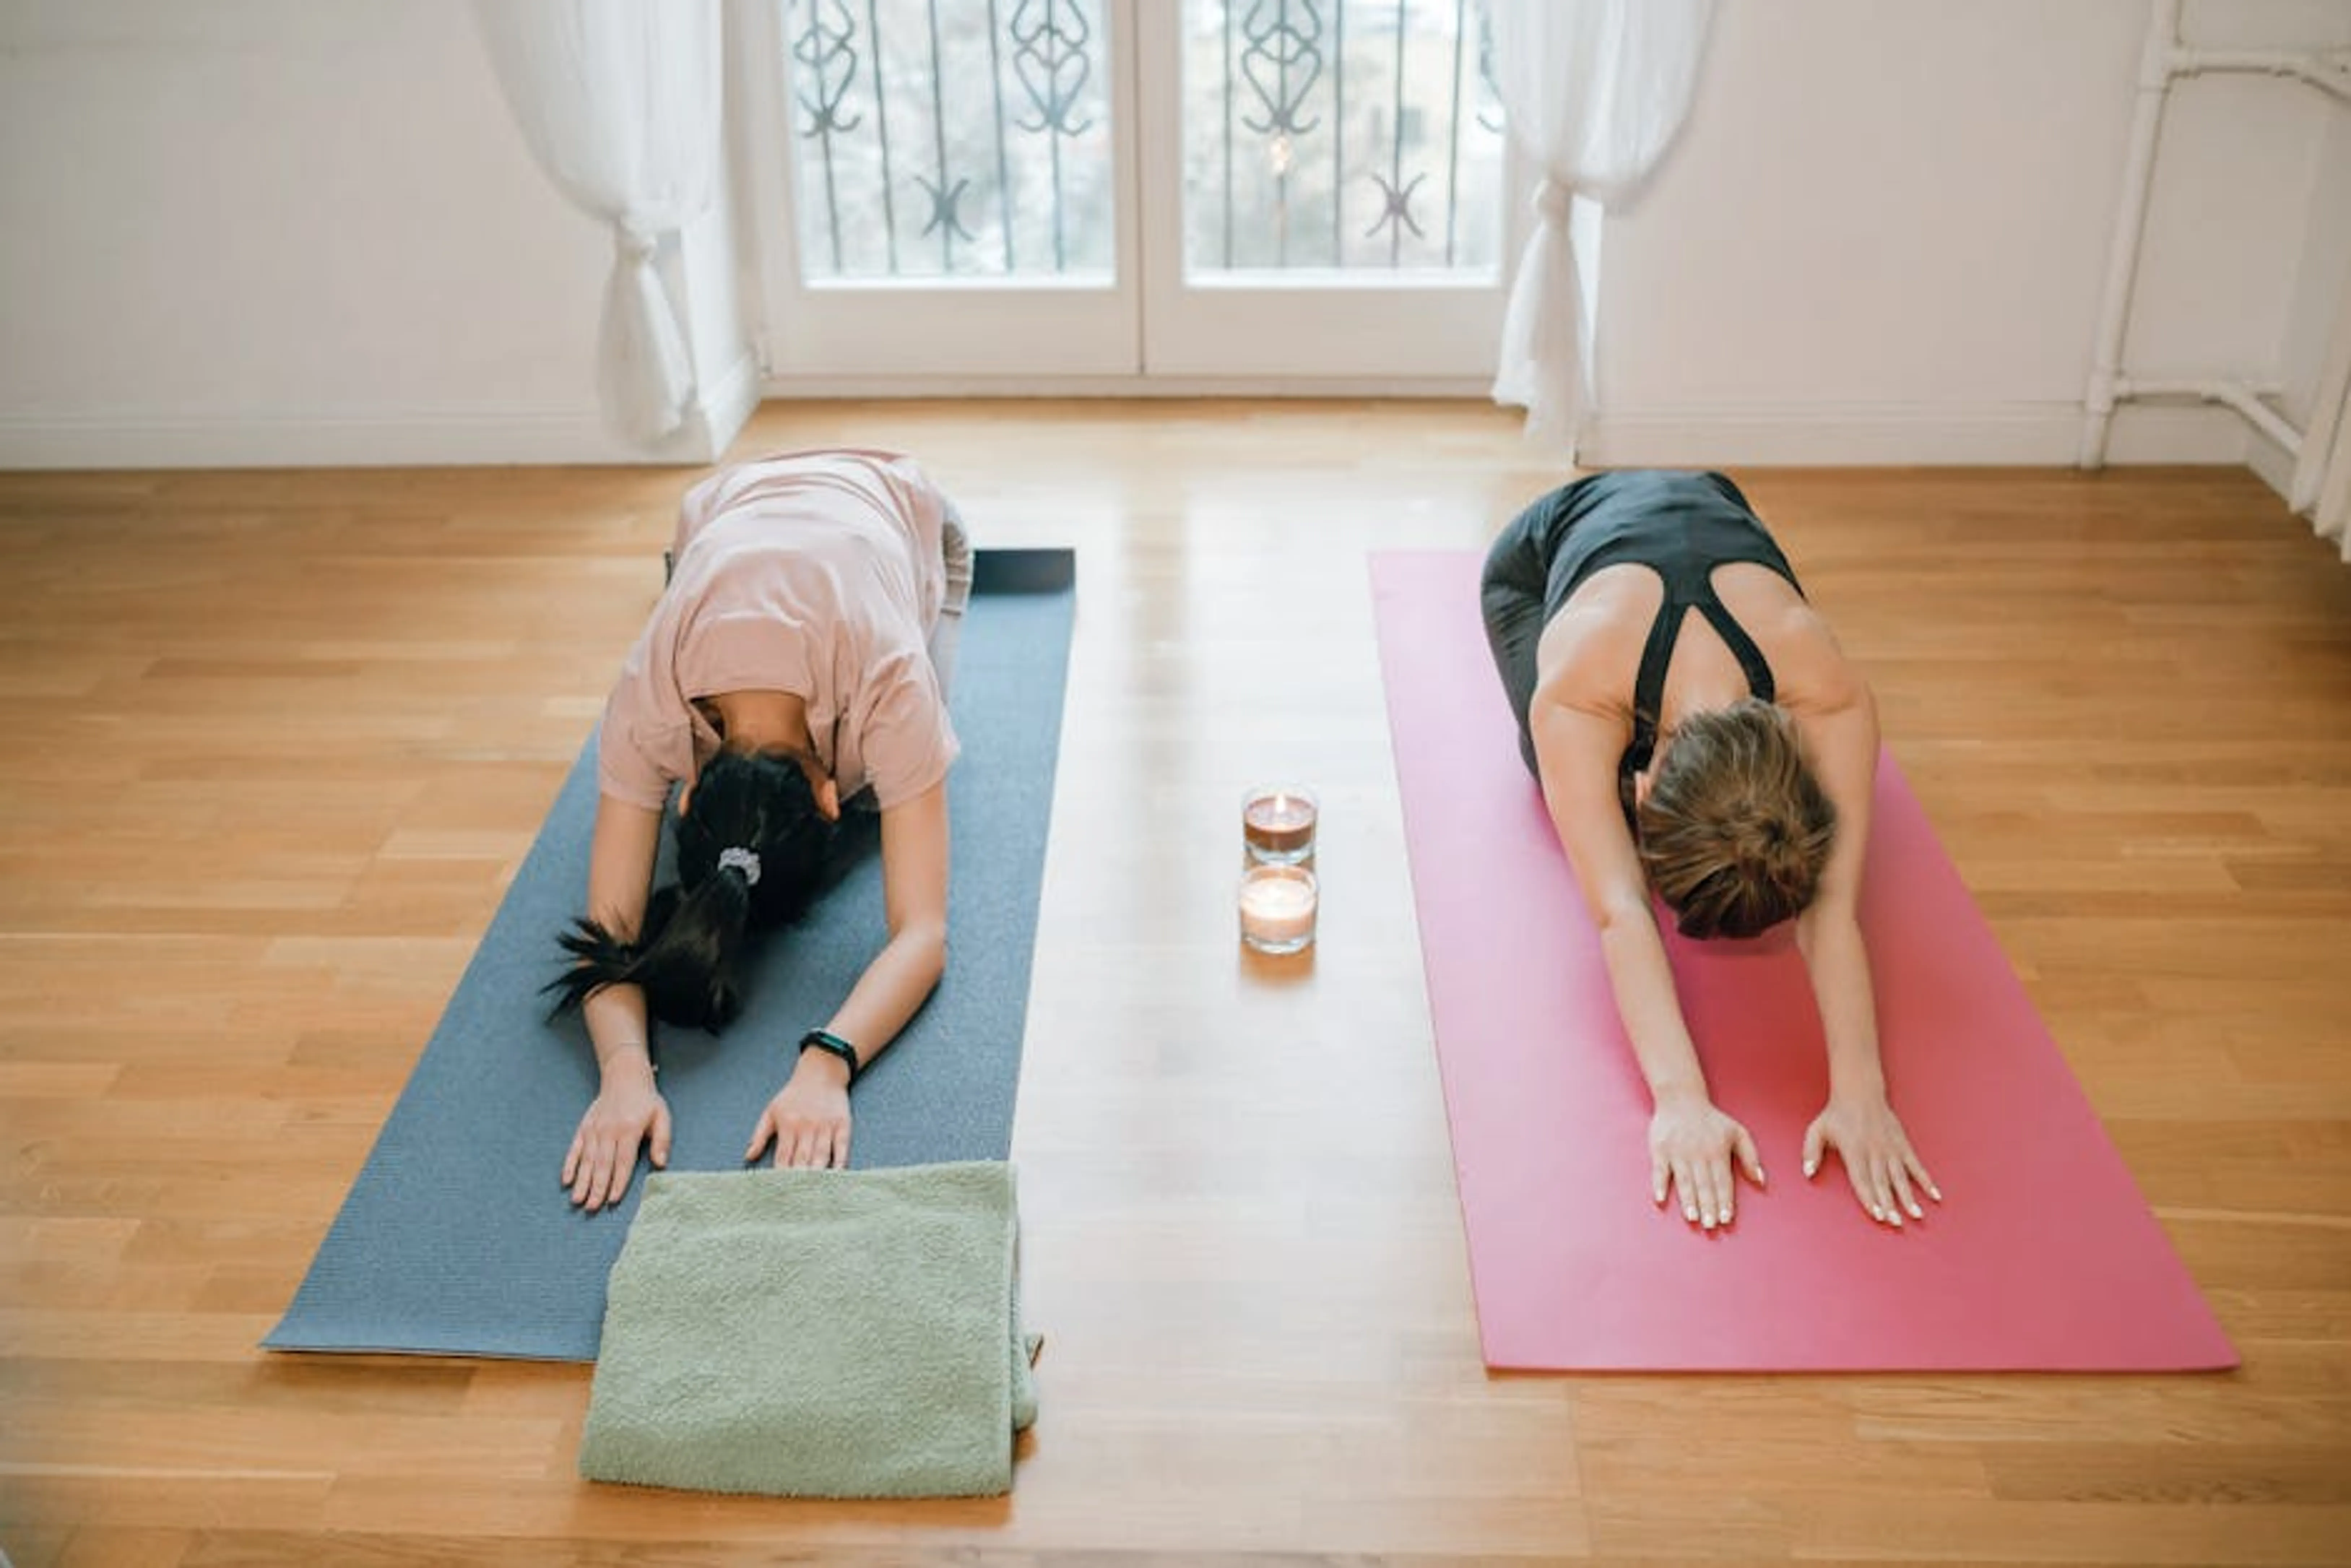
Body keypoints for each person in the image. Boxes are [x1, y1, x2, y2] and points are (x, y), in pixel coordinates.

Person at [1481, 468, 1939, 1234]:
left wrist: (1863, 1092)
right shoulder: (1578, 689)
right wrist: (1680, 1098)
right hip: (1542, 554)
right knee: (1555, 773)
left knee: (1779, 846)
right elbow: (1622, 910)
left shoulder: (1828, 689)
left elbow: (1832, 906)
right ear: (1648, 776)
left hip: (1710, 498)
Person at [546, 447, 971, 1209]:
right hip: (723, 509)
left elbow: (925, 935)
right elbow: (605, 934)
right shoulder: (651, 698)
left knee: (893, 784)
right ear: (687, 793)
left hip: (897, 500)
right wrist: (622, 1075)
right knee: (701, 581)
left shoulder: (890, 682)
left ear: (689, 792)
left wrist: (828, 1063)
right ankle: (708, 571)